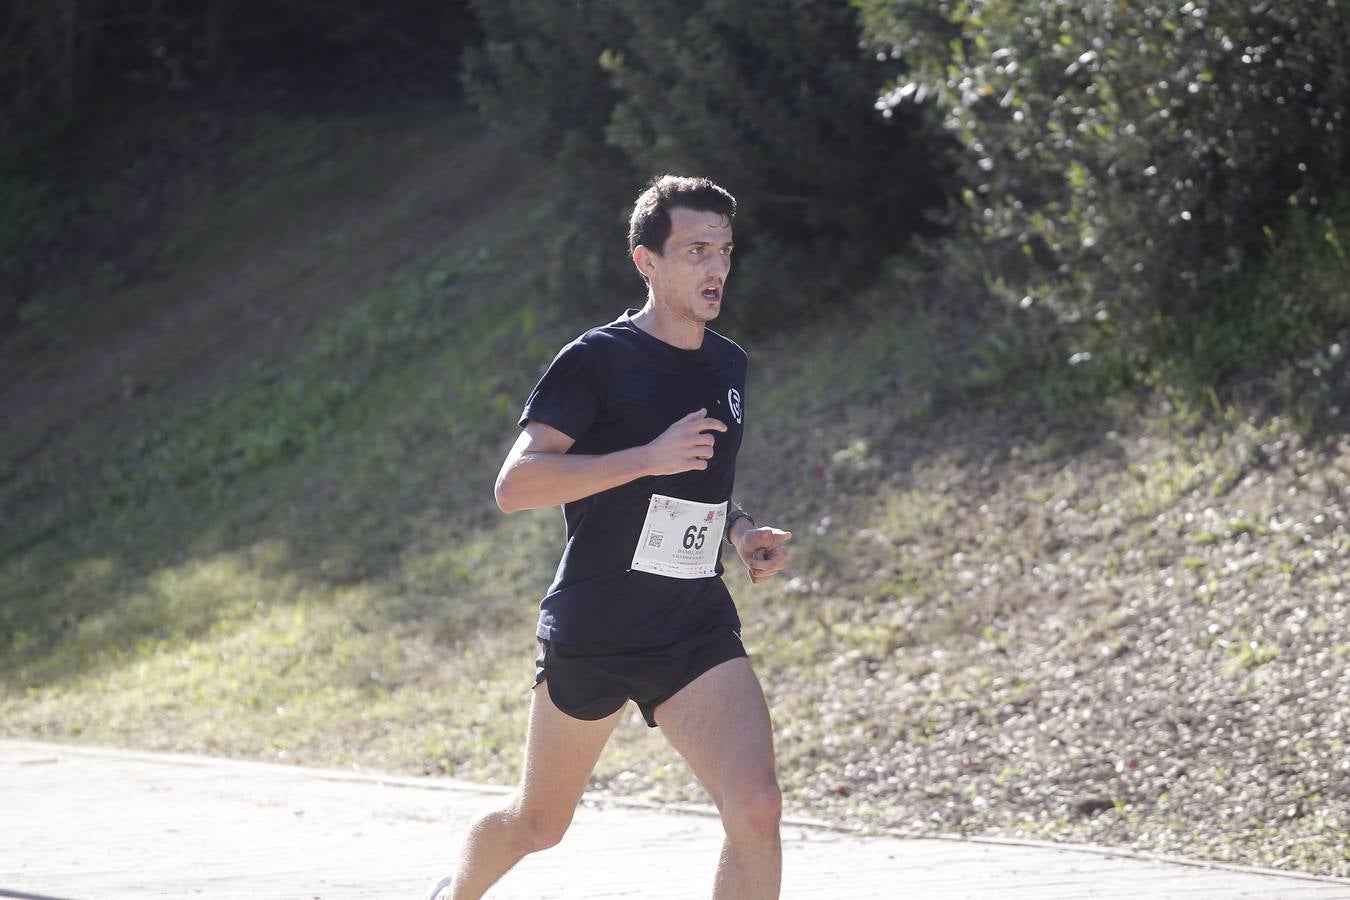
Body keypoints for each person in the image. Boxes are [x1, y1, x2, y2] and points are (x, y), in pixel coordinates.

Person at [425, 175, 793, 900]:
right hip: (597, 626)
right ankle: (454, 893)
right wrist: (644, 458)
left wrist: (742, 530)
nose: (715, 268)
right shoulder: (596, 359)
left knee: (757, 807)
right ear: (645, 261)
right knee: (538, 824)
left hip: (692, 624)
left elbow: (702, 483)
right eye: (695, 250)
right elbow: (515, 485)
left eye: (723, 250)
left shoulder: (728, 364)